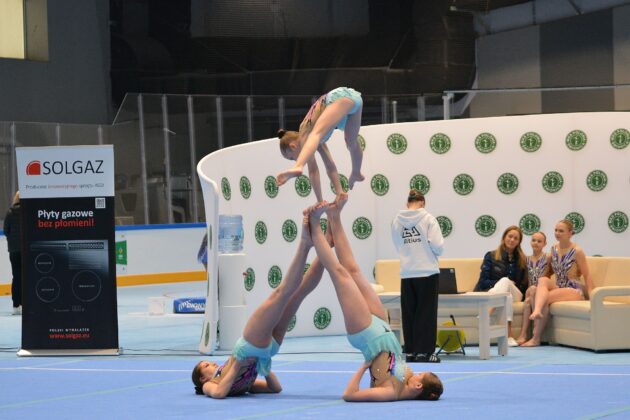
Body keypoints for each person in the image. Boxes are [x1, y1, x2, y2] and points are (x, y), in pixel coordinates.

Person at [307, 196, 443, 402]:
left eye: (420, 375)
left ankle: (315, 224)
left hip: (366, 334)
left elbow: (349, 395)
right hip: (383, 329)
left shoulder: (391, 392)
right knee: (353, 270)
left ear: (418, 386)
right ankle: (334, 216)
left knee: (339, 274)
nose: (416, 373)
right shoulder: (407, 379)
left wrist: (363, 367)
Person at [191, 213, 326, 398]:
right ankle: (306, 243)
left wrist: (252, 367)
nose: (212, 364)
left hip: (261, 349)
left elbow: (270, 389)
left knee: (297, 295)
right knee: (283, 294)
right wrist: (260, 368)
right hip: (252, 349)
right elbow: (221, 393)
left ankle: (327, 243)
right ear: (202, 379)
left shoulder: (239, 382)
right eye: (206, 365)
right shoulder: (210, 384)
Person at [276, 87, 365, 203]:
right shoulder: (313, 144)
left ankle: (298, 166)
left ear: (293, 146)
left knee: (316, 134)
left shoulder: (304, 133)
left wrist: (319, 201)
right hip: (355, 101)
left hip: (338, 98)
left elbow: (313, 171)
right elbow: (330, 165)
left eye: (292, 158)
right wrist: (339, 191)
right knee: (351, 142)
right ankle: (356, 172)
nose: (294, 159)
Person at [390, 189, 444, 363]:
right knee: (426, 313)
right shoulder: (428, 219)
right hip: (427, 271)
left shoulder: (396, 221)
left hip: (407, 272)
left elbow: (397, 244)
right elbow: (438, 246)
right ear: (423, 203)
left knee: (409, 313)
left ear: (407, 203)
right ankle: (425, 352)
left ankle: (411, 352)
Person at [522, 220, 594, 347]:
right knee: (541, 281)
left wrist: (593, 296)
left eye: (561, 231)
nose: (557, 233)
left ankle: (535, 337)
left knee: (542, 297)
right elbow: (546, 274)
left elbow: (587, 275)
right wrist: (533, 289)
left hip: (574, 289)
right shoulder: (553, 249)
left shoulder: (577, 251)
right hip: (559, 287)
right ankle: (537, 312)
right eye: (556, 230)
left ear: (570, 233)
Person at [473, 225, 528, 347]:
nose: (512, 240)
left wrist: (508, 284)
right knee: (506, 293)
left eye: (516, 238)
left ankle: (486, 313)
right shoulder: (491, 255)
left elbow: (524, 285)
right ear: (504, 237)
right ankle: (508, 336)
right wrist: (501, 283)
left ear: (519, 242)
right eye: (510, 236)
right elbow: (483, 282)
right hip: (493, 292)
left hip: (516, 294)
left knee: (506, 284)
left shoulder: (522, 259)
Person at [516, 231, 550, 345]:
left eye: (539, 241)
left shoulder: (548, 257)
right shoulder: (526, 259)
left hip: (541, 290)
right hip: (530, 289)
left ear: (545, 244)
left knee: (528, 301)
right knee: (531, 290)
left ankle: (529, 334)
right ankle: (524, 334)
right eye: (533, 240)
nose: (536, 243)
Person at [3, 191, 22, 315]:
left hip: (14, 250)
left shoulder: (10, 212)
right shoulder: (27, 212)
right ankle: (26, 304)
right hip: (26, 250)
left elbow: (6, 230)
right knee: (26, 277)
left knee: (16, 276)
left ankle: (16, 305)